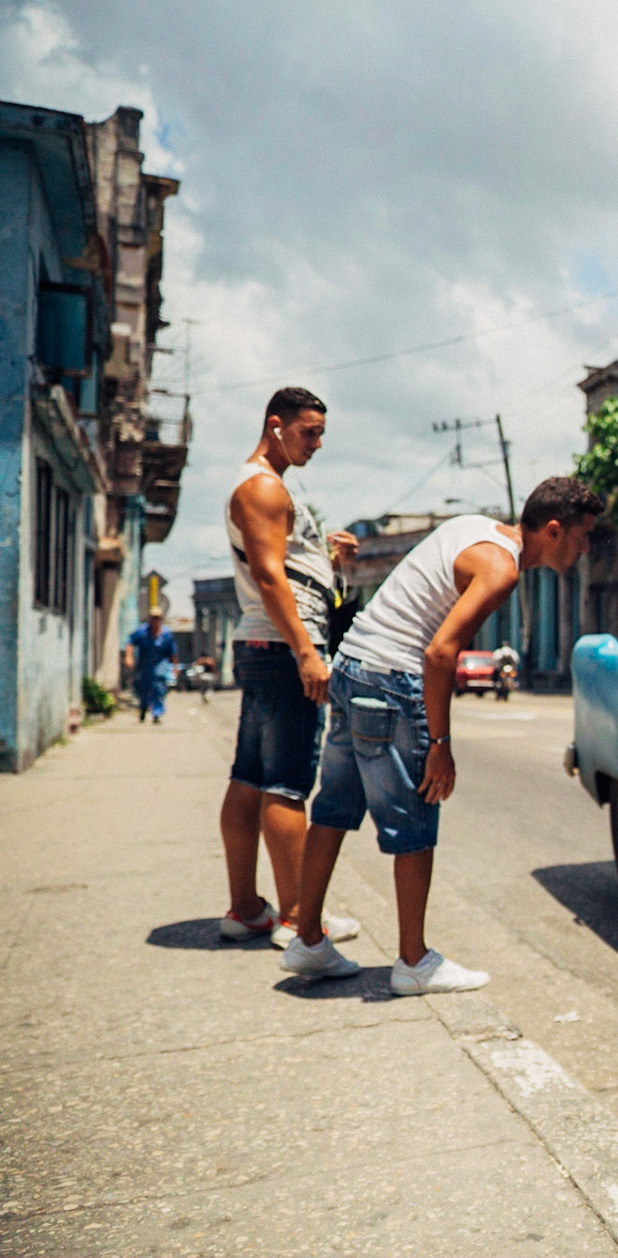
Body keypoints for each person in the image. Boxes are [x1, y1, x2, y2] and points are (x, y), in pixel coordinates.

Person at [282, 476, 603, 991]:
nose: (587, 548)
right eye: (584, 536)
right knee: (413, 820)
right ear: (553, 529)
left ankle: (307, 940)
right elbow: (438, 653)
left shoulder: (474, 527)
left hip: (353, 665)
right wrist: (439, 746)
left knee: (334, 808)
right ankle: (412, 962)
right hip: (391, 678)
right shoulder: (501, 569)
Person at [220, 386, 362, 949]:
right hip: (281, 650)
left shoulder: (267, 486)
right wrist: (306, 650)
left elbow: (284, 565)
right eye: (309, 432)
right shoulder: (261, 486)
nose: (317, 443)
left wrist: (327, 559)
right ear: (275, 425)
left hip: (266, 647)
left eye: (321, 433)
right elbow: (268, 576)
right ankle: (299, 920)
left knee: (251, 776)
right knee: (287, 784)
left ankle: (246, 909)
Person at [123, 608, 177, 724]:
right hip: (144, 665)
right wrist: (128, 657)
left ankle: (156, 714)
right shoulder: (142, 631)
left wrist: (175, 668)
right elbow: (130, 643)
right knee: (142, 689)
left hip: (160, 665)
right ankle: (143, 708)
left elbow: (173, 653)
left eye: (157, 618)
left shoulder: (166, 634)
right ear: (149, 619)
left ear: (161, 619)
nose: (155, 621)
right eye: (153, 618)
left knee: (158, 688)